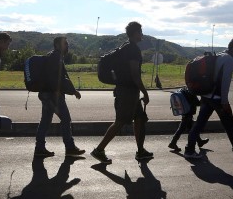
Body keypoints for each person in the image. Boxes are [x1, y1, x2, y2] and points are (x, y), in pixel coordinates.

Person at [91, 21, 152, 163]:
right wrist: (146, 92)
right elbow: (135, 75)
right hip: (128, 92)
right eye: (140, 31)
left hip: (126, 91)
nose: (142, 34)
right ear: (136, 33)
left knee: (139, 118)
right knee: (120, 122)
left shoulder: (125, 47)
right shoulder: (133, 50)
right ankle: (99, 150)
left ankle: (141, 151)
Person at [184, 38, 233, 160]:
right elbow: (225, 82)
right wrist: (224, 102)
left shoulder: (220, 55)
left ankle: (189, 150)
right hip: (217, 98)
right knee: (230, 125)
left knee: (199, 124)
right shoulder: (228, 59)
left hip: (206, 95)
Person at [34, 36, 86, 158]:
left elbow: (62, 76)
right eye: (65, 44)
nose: (67, 46)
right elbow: (57, 77)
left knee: (46, 121)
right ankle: (70, 147)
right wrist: (58, 91)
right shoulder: (56, 57)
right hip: (53, 95)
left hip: (47, 93)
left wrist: (73, 91)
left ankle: (40, 148)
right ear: (57, 45)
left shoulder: (53, 56)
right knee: (66, 119)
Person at [168, 87, 208, 152]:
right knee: (182, 129)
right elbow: (198, 103)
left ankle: (199, 141)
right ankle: (173, 143)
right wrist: (203, 98)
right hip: (188, 113)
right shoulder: (192, 91)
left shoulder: (185, 89)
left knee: (191, 128)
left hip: (185, 112)